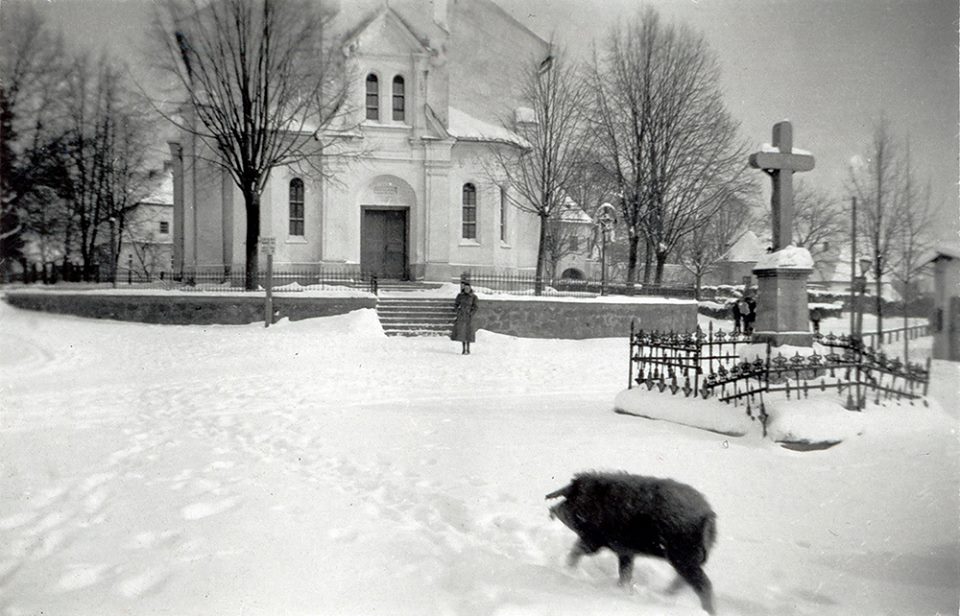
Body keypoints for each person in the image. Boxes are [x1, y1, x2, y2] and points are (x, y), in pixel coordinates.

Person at [451, 276, 479, 354]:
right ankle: (463, 349)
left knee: (469, 332)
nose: (467, 289)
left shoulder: (473, 297)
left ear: (470, 288)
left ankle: (468, 348)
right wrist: (458, 311)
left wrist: (471, 313)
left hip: (469, 317)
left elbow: (476, 307)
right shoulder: (460, 296)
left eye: (468, 288)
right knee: (462, 332)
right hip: (462, 316)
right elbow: (456, 304)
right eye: (466, 288)